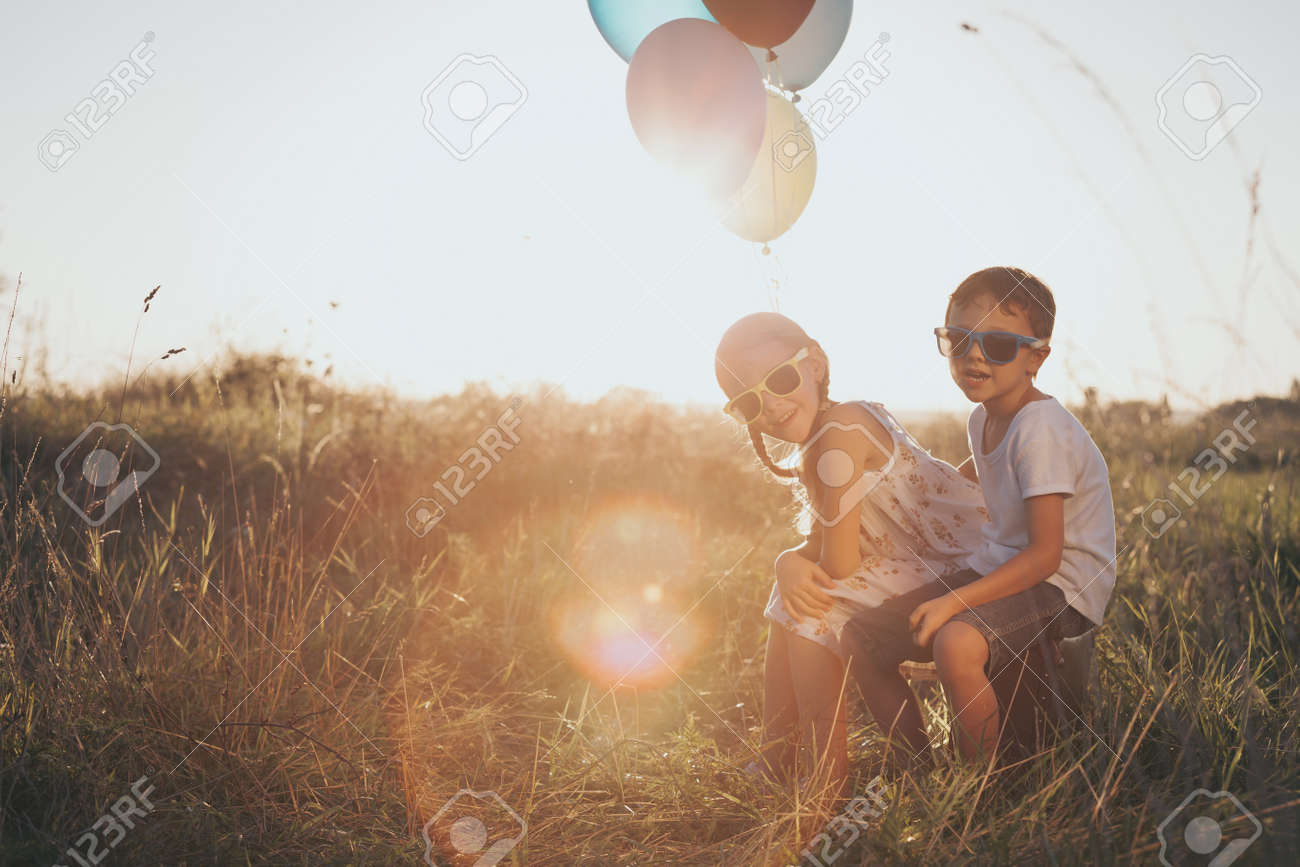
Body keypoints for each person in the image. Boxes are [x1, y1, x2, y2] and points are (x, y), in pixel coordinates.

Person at [714, 312, 988, 795]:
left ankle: (824, 775)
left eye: (780, 379)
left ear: (815, 364)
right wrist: (788, 563)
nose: (772, 406)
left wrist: (793, 567)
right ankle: (781, 750)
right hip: (927, 561)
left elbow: (838, 564)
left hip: (967, 562)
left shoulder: (840, 432)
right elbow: (826, 543)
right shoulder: (835, 426)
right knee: (794, 591)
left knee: (813, 605)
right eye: (749, 403)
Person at [893, 266, 1116, 760]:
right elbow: (978, 474)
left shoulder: (1040, 427)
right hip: (1008, 566)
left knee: (954, 642)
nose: (973, 354)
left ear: (1036, 357)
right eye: (958, 339)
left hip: (1064, 586)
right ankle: (910, 760)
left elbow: (1045, 556)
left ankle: (981, 789)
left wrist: (954, 602)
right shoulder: (985, 417)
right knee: (880, 622)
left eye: (997, 345)